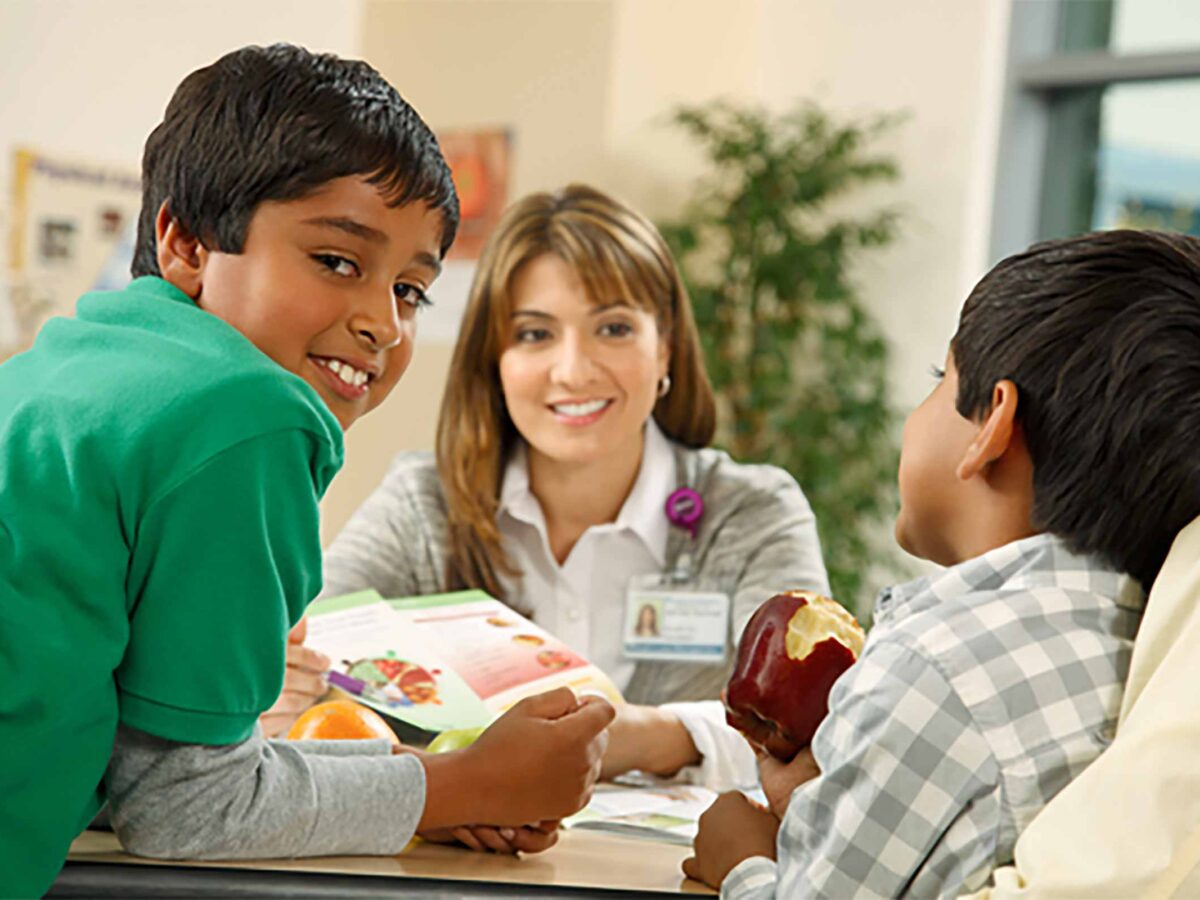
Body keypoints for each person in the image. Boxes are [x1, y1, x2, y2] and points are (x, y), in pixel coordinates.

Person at [0, 45, 612, 898]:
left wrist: (393, 793)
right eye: (336, 261)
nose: (382, 325)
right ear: (186, 242)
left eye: (408, 290)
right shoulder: (249, 413)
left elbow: (118, 758)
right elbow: (183, 807)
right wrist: (468, 785)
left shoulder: (64, 365)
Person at [683, 230, 1200, 897]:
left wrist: (741, 863)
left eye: (940, 379)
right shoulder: (1134, 649)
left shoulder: (933, 665)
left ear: (992, 426)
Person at [267, 184, 830, 791]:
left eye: (613, 328)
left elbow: (809, 734)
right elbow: (318, 663)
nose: (573, 370)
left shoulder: (753, 513)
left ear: (664, 346)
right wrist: (286, 687)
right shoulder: (424, 502)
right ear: (495, 360)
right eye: (535, 335)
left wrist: (627, 737)